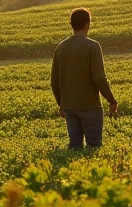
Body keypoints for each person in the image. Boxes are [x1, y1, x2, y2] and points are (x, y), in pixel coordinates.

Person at [49, 8, 118, 150]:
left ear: (71, 24)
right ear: (88, 24)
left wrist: (61, 103)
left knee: (74, 148)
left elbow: (54, 81)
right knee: (93, 148)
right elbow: (99, 77)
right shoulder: (93, 46)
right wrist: (111, 100)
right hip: (90, 106)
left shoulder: (61, 47)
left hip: (69, 107)